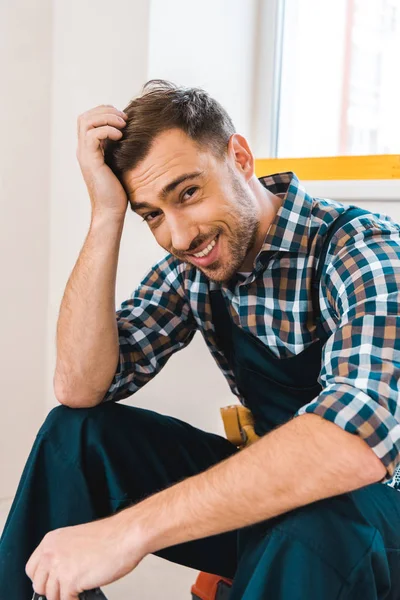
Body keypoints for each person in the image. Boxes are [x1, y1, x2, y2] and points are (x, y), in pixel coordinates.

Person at [1, 79, 400, 600]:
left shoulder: (363, 249)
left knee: (314, 526)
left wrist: (128, 531)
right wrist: (106, 216)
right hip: (284, 507)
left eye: (187, 193)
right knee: (75, 435)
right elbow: (79, 386)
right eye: (153, 215)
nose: (179, 236)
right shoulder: (194, 266)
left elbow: (355, 442)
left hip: (374, 516)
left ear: (239, 157)